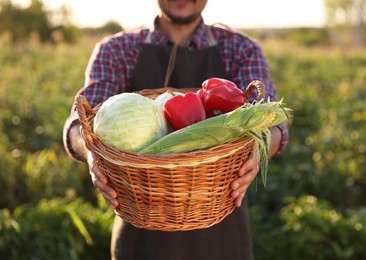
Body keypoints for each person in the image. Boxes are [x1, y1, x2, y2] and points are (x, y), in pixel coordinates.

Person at [63, 0, 288, 259]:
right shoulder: (116, 50)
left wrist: (259, 149)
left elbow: (274, 126)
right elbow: (79, 124)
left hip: (222, 236)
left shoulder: (241, 50)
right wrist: (93, 153)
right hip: (140, 238)